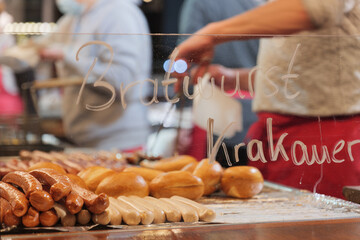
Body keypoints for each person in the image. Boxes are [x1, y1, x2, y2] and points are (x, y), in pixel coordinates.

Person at [174, 0, 360, 199]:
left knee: (318, 228)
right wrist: (231, 78)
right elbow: (305, 74)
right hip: (283, 141)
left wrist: (211, 34)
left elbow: (314, 8)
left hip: (323, 141)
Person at [40, 0, 152, 151]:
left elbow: (122, 82)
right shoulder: (71, 19)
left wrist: (66, 56)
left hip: (118, 144)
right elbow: (39, 48)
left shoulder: (119, 14)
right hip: (85, 142)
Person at [176, 0, 263, 165]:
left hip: (215, 118)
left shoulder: (200, 4)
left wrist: (184, 119)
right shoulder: (266, 5)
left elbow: (188, 63)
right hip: (258, 120)